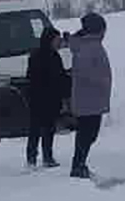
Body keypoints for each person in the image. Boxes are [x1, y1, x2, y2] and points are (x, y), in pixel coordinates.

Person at [67, 12, 112, 180]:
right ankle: (77, 166)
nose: (104, 33)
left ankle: (79, 164)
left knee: (88, 135)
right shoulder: (88, 46)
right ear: (97, 30)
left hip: (91, 100)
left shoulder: (89, 45)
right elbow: (85, 71)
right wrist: (102, 80)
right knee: (87, 134)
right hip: (89, 100)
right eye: (103, 30)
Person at [25, 26, 67, 168]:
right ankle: (33, 158)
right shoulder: (40, 56)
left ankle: (45, 157)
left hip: (48, 100)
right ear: (49, 40)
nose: (59, 42)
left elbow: (61, 78)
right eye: (56, 39)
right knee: (36, 130)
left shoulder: (51, 56)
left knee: (47, 129)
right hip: (40, 99)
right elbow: (32, 78)